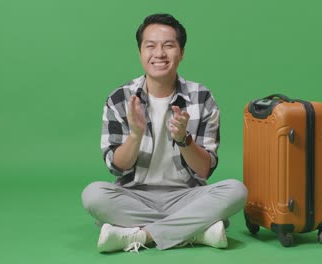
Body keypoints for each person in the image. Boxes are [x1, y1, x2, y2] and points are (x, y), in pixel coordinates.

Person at [81, 13, 247, 253]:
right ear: (140, 53)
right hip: (134, 195)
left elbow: (205, 169)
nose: (159, 53)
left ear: (181, 53)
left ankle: (140, 235)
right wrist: (135, 135)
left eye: (168, 45)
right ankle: (197, 230)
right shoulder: (120, 98)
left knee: (236, 191)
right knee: (93, 195)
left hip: (187, 196)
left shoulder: (202, 97)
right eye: (151, 46)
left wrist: (184, 139)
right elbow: (116, 167)